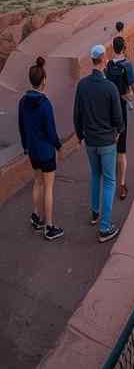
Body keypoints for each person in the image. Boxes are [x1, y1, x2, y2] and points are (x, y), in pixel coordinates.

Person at [73, 44, 125, 243]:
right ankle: (104, 227)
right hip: (107, 141)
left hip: (91, 141)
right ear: (103, 59)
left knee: (95, 175)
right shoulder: (109, 87)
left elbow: (77, 113)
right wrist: (118, 131)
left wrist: (79, 135)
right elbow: (118, 117)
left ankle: (95, 212)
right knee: (110, 181)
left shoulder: (82, 85)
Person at [20, 57, 64, 241]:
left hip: (32, 151)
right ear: (43, 80)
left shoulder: (23, 101)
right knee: (49, 188)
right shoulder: (45, 104)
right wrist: (58, 146)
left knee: (37, 182)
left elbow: (21, 125)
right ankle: (49, 226)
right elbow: (51, 131)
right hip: (46, 151)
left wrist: (25, 146)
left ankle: (36, 216)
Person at [105, 36, 134, 201]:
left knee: (110, 147)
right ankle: (122, 184)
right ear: (124, 48)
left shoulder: (108, 66)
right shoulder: (128, 65)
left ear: (113, 48)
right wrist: (131, 93)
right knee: (121, 151)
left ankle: (110, 181)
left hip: (108, 111)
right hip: (121, 110)